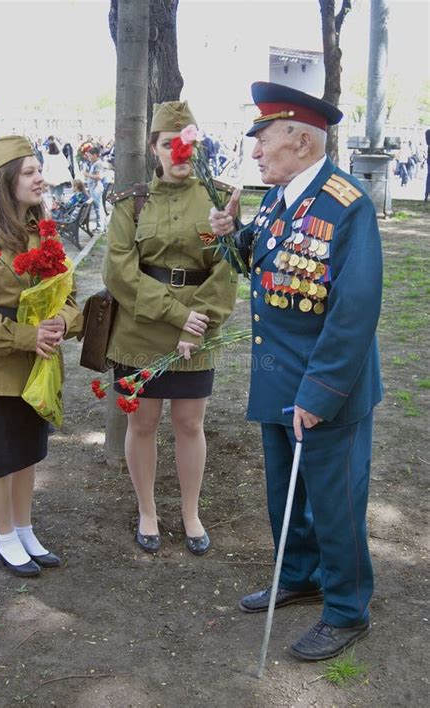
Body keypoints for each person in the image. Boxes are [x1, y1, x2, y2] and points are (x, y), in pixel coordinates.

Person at [209, 82, 383, 661]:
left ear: (302, 141)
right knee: (285, 493)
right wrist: (232, 236)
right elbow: (269, 270)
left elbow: (354, 310)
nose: (255, 151)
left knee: (334, 500)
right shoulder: (283, 198)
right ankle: (302, 574)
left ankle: (347, 608)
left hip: (324, 387)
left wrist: (320, 391)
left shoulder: (346, 203)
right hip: (278, 377)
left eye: (264, 140)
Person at [102, 101, 238, 555]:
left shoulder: (219, 199)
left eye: (187, 145)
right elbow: (119, 271)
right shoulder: (131, 203)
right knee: (142, 423)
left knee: (189, 422)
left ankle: (190, 511)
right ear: (154, 148)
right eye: (168, 145)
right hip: (141, 325)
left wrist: (197, 324)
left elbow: (227, 268)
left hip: (198, 324)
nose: (179, 153)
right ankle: (147, 511)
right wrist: (177, 316)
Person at [0, 136, 82, 577]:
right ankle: (4, 536)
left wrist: (63, 322)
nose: (40, 178)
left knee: (28, 454)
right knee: (1, 459)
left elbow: (69, 294)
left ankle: (25, 529)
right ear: (5, 181)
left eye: (37, 169)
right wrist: (26, 336)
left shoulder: (43, 231)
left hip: (39, 366)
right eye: (29, 171)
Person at [42, 137, 72, 202]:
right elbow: (67, 164)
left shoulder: (47, 156)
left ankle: (55, 206)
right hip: (61, 177)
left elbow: (46, 168)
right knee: (60, 194)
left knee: (53, 194)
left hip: (51, 178)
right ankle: (60, 205)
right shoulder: (60, 155)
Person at [83, 146, 105, 232]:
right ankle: (100, 225)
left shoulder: (98, 164)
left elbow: (99, 176)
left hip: (96, 188)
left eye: (90, 156)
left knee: (98, 207)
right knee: (97, 207)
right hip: (93, 187)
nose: (89, 158)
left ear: (95, 155)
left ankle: (100, 227)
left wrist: (87, 175)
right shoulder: (94, 164)